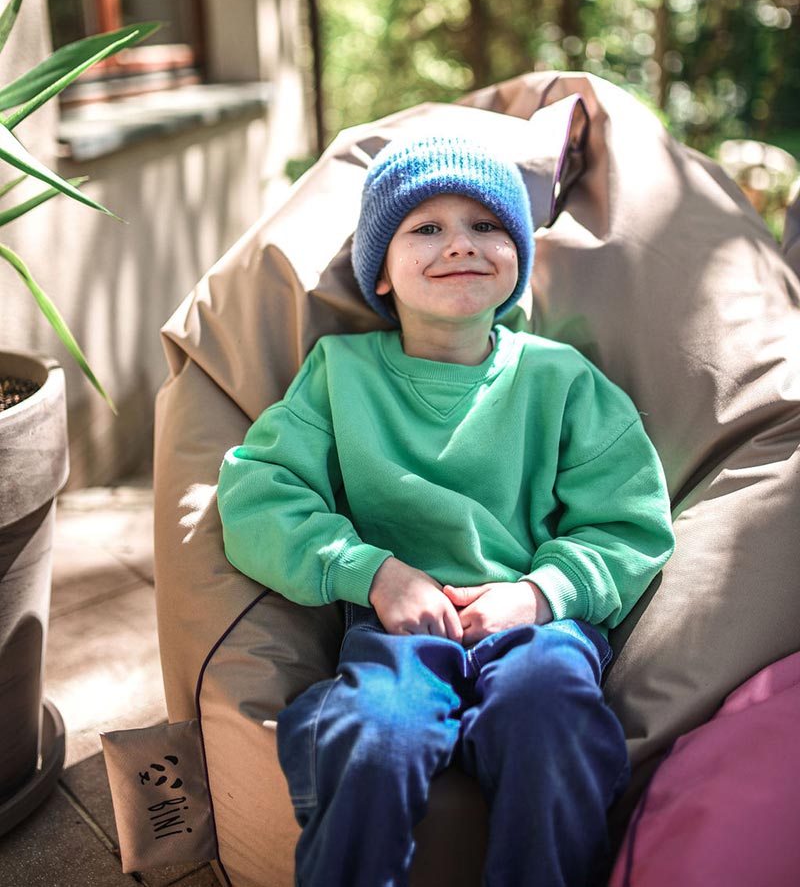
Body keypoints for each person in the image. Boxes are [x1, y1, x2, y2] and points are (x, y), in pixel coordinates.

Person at [216, 133, 675, 887]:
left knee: (551, 717)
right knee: (374, 736)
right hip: (395, 627)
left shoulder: (562, 379)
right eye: (424, 228)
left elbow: (629, 520)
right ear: (382, 274)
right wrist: (373, 575)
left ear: (517, 257)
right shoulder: (340, 373)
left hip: (537, 628)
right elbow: (259, 492)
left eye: (486, 225)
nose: (459, 244)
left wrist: (539, 593)